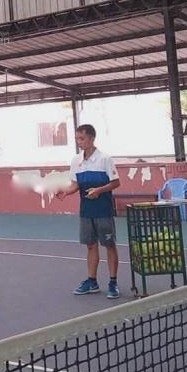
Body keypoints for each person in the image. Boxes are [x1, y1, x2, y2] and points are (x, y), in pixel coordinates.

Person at [57, 124, 121, 299]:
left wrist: (99, 190)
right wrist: (65, 191)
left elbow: (116, 182)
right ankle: (92, 282)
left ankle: (113, 283)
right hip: (86, 212)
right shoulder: (76, 161)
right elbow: (75, 185)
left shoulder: (105, 159)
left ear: (92, 138)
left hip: (104, 211)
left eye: (82, 138)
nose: (79, 142)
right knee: (91, 246)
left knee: (109, 245)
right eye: (77, 139)